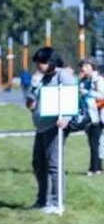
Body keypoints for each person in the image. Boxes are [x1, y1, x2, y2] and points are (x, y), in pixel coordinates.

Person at [26, 47, 76, 213]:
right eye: (38, 62)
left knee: (54, 164)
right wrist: (31, 96)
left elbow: (71, 97)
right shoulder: (41, 78)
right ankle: (42, 200)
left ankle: (56, 202)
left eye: (43, 62)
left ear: (52, 61)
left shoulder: (63, 76)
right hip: (40, 126)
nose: (39, 65)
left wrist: (66, 118)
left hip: (54, 127)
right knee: (38, 164)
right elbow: (31, 100)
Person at [78, 59, 104, 176]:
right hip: (89, 114)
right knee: (93, 142)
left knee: (96, 142)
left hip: (98, 115)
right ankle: (97, 168)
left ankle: (94, 168)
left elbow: (102, 96)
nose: (83, 68)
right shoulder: (84, 80)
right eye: (82, 66)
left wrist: (87, 92)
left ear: (92, 67)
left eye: (85, 66)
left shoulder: (98, 80)